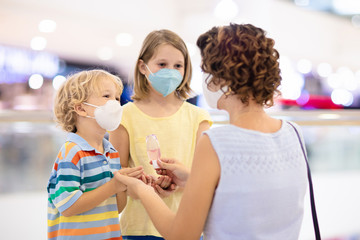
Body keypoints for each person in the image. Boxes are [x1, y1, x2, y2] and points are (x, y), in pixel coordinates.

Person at [113, 23, 309, 240]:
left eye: (206, 69)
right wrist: (190, 178)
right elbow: (244, 194)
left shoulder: (216, 142)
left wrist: (143, 191)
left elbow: (182, 235)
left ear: (220, 78)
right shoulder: (294, 134)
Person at [109, 29, 212, 240]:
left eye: (178, 66)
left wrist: (183, 179)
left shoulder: (199, 118)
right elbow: (116, 179)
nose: (170, 71)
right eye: (162, 64)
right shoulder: (124, 117)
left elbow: (206, 180)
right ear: (142, 66)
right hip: (138, 229)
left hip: (189, 226)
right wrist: (144, 189)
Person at [47, 69, 144, 240]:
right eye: (106, 96)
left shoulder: (112, 152)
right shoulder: (72, 152)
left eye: (116, 98)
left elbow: (116, 207)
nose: (115, 103)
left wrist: (125, 184)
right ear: (81, 108)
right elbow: (68, 206)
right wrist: (113, 186)